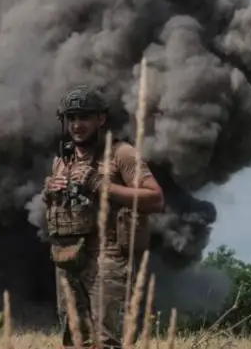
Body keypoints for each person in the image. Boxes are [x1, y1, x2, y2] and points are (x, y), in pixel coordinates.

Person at [43, 86, 164, 349]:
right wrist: (51, 191)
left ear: (100, 119)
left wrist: (101, 185)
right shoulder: (62, 160)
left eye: (84, 117)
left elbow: (155, 199)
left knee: (108, 340)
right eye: (71, 118)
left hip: (108, 258)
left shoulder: (122, 154)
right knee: (75, 339)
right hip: (69, 257)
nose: (77, 125)